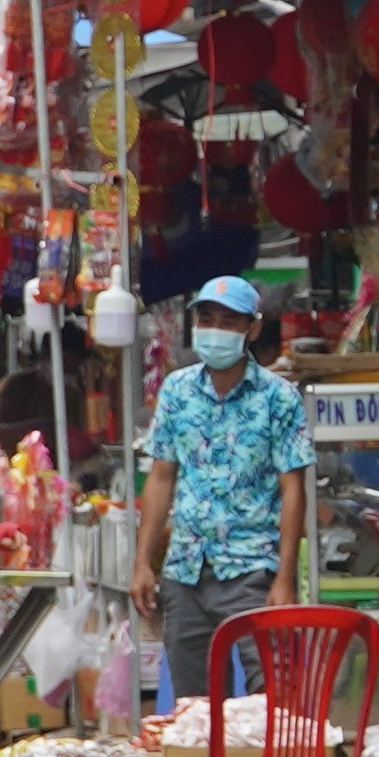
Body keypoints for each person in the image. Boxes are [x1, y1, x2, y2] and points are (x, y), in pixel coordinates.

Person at [129, 275, 316, 705]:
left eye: (229, 321)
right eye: (207, 318)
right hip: (186, 569)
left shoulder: (279, 398)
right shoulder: (177, 391)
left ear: (252, 329)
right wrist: (143, 562)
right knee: (193, 706)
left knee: (271, 697)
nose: (215, 329)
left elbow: (293, 490)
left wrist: (285, 577)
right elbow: (161, 478)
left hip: (252, 569)